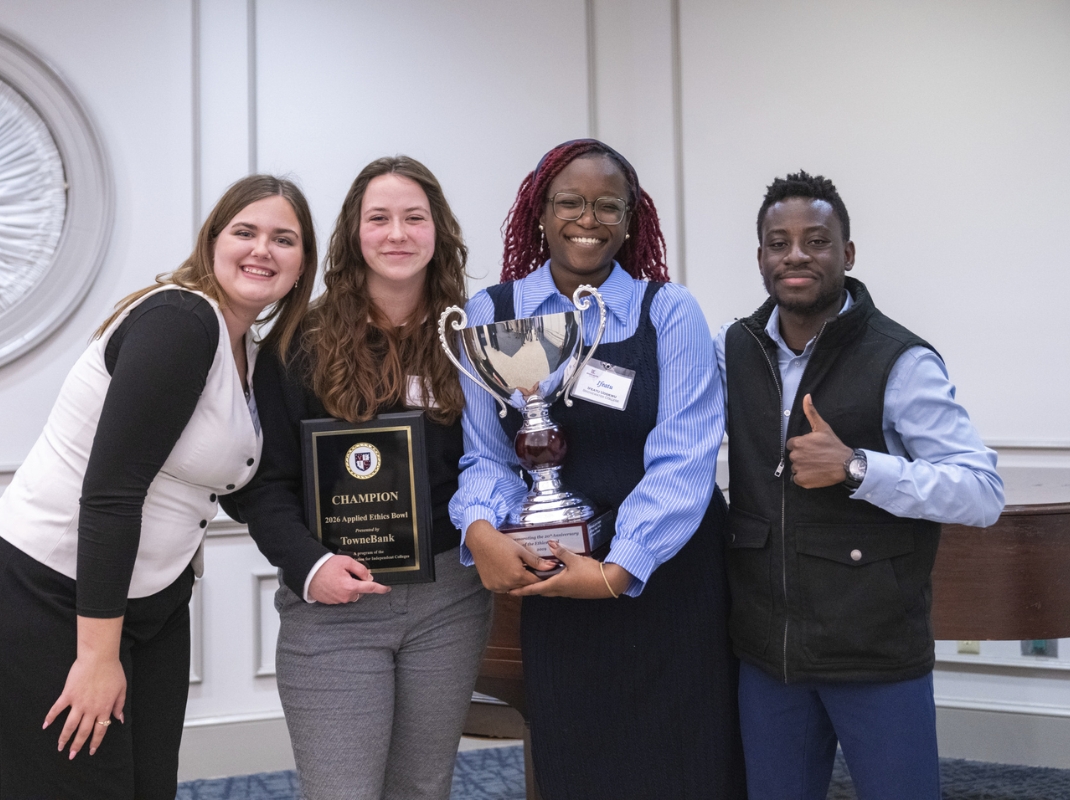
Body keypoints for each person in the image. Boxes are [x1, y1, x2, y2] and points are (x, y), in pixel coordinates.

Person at [0, 175, 317, 799]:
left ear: (301, 264)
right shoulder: (181, 320)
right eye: (245, 232)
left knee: (146, 788)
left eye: (283, 239)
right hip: (48, 599)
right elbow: (111, 493)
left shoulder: (249, 352)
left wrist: (315, 561)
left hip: (150, 607)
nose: (263, 250)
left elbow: (237, 483)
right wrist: (97, 657)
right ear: (211, 242)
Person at [449, 139, 746, 800]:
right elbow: (486, 456)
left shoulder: (669, 311)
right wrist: (479, 529)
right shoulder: (494, 316)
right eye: (570, 204)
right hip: (556, 576)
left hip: (667, 580)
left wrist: (618, 569)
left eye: (608, 207)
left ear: (631, 220)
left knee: (686, 764)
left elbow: (685, 457)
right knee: (578, 763)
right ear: (540, 214)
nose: (588, 219)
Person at [716, 170, 1005, 800]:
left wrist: (856, 468)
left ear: (847, 254)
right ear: (761, 258)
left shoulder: (900, 359)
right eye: (778, 242)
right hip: (769, 657)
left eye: (816, 240)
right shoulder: (732, 349)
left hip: (874, 653)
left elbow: (982, 492)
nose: (796, 254)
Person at [227, 156, 492, 800]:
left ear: (439, 232)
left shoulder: (472, 338)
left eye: (414, 218)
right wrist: (312, 567)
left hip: (449, 601)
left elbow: (494, 460)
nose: (397, 233)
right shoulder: (297, 343)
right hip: (335, 605)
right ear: (354, 233)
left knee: (422, 789)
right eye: (379, 218)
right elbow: (264, 488)